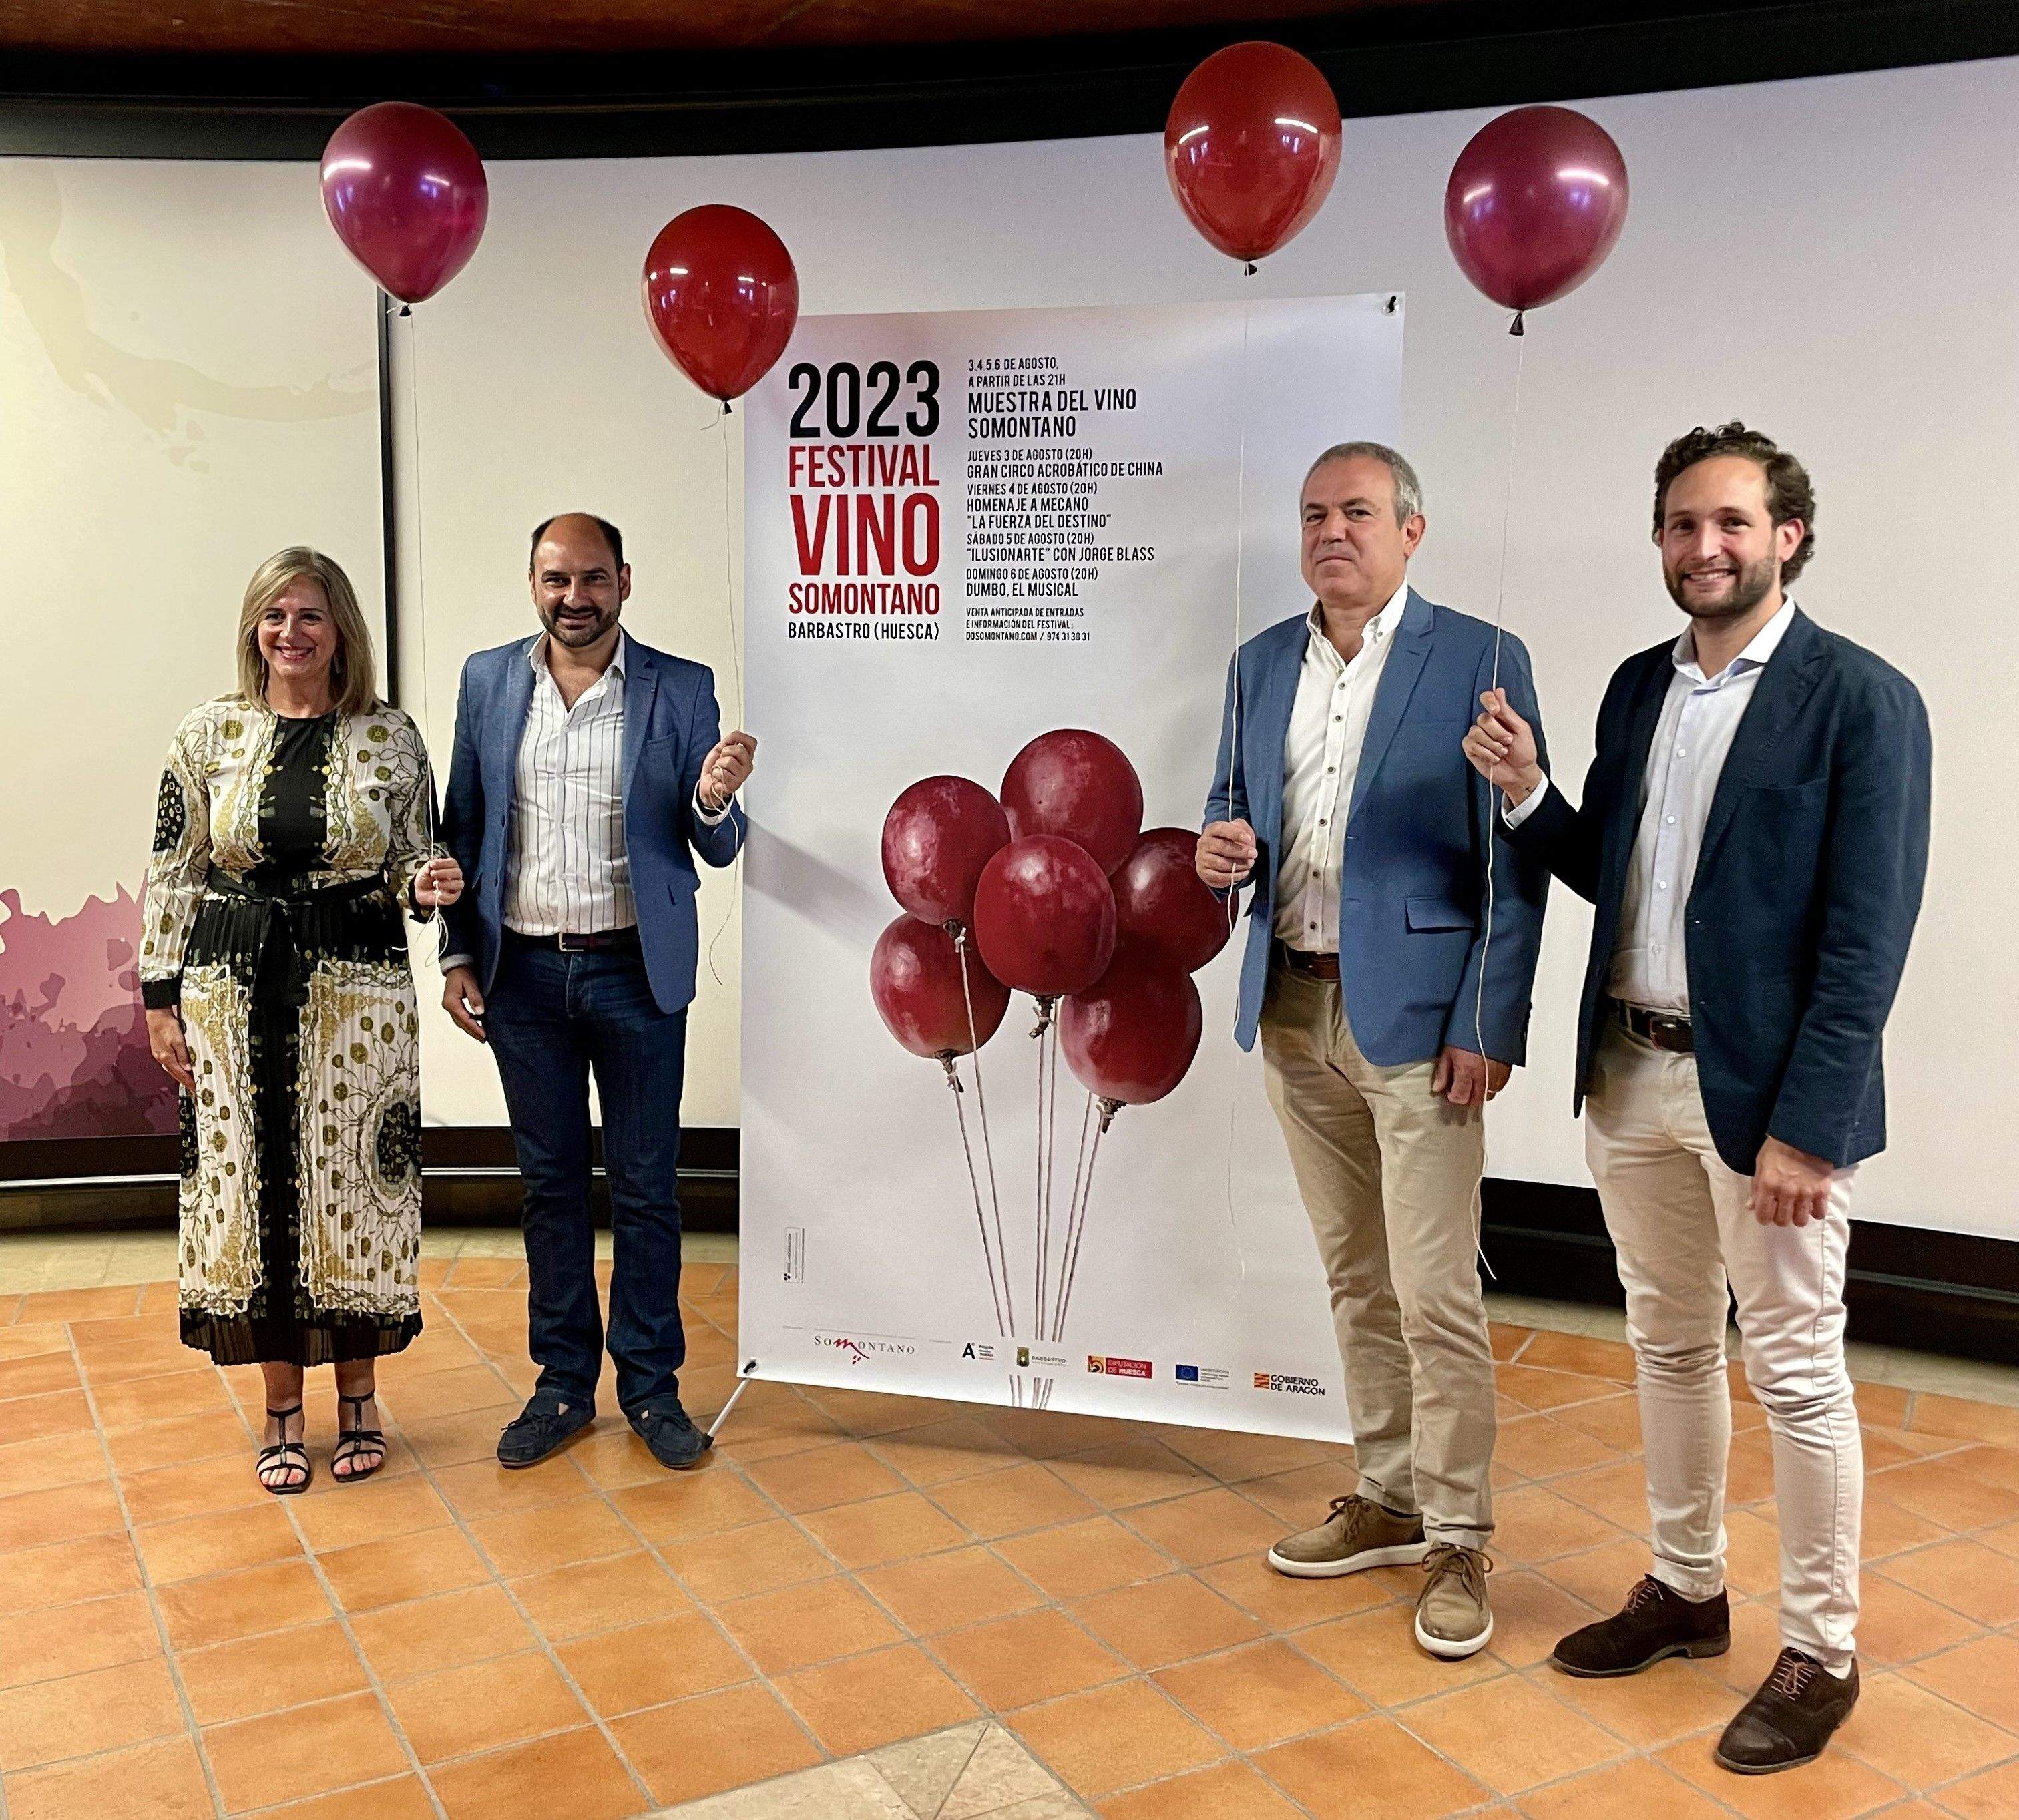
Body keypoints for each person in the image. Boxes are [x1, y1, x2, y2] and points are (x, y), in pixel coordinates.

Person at [1466, 422, 1931, 1773]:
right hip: (1630, 1072)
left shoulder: (1862, 700)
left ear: (1788, 535)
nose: (1703, 546)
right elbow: (1607, 868)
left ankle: (1821, 1651)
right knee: (1668, 1344)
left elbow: (1867, 936)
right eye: (1681, 524)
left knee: (1792, 1367)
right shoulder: (1634, 690)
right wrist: (1529, 794)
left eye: (1731, 522)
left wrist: (1813, 1121)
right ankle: (1687, 1588)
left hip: (1765, 1104)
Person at [1197, 443, 1550, 1659]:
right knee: (1356, 1276)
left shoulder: (1479, 658)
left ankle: (1459, 1531)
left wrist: (1484, 1021)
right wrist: (1214, 850)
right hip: (1292, 1010)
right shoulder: (1256, 666)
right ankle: (1390, 1492)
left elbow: (1517, 860)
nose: (1331, 531)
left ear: (1413, 529)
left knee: (1435, 1286)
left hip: (1418, 1026)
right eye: (1314, 514)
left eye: (1357, 512)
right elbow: (1225, 804)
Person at [141, 547, 461, 1494]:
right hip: (230, 989)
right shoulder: (207, 736)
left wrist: (429, 882)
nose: (291, 631)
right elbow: (172, 867)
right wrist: (160, 999)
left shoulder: (391, 737)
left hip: (359, 991)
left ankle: (360, 1396)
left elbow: (415, 860)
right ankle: (281, 1406)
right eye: (275, 614)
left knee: (353, 1188)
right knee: (255, 1192)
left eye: (311, 615)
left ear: (342, 630)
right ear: (254, 627)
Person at [439, 512, 752, 1473]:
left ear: (625, 580)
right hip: (522, 972)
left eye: (591, 578)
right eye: (554, 579)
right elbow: (463, 824)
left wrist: (711, 796)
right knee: (552, 1186)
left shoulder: (681, 686)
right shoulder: (490, 680)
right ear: (533, 582)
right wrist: (456, 953)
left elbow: (719, 842)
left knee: (650, 1188)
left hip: (634, 970)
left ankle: (652, 1389)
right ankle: (563, 1384)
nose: (573, 597)